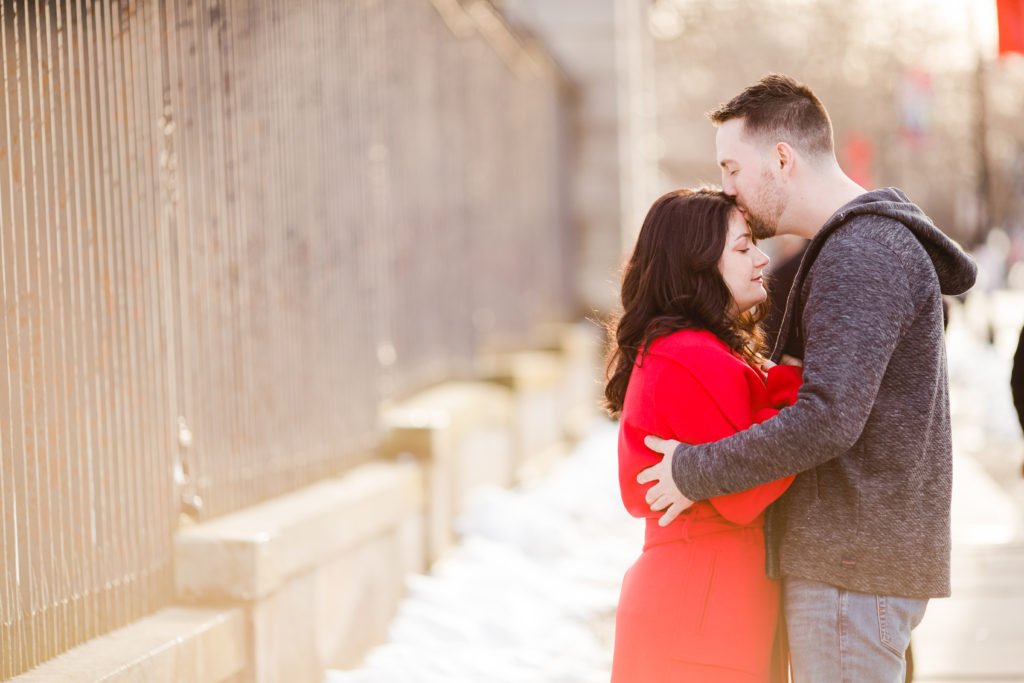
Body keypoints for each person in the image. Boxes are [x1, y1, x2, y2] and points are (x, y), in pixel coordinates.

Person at [636, 75, 977, 682]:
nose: (728, 191)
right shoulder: (858, 245)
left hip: (850, 565)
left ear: (783, 159)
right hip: (855, 561)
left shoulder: (863, 252)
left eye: (733, 168)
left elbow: (828, 418)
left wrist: (694, 470)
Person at [606, 187, 802, 682]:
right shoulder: (687, 355)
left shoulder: (696, 349)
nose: (761, 259)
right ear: (697, 266)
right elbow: (745, 488)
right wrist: (799, 385)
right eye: (742, 248)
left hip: (708, 605)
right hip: (701, 616)